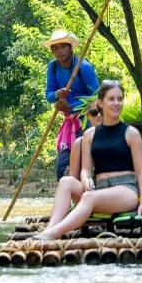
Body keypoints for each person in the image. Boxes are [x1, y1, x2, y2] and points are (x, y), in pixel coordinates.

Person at [34, 80, 142, 240]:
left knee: (89, 197)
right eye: (111, 99)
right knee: (66, 181)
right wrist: (86, 180)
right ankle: (51, 227)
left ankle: (53, 233)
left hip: (126, 191)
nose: (116, 103)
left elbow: (141, 171)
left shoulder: (131, 133)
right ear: (100, 103)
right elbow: (86, 170)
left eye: (119, 99)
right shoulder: (89, 135)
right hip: (99, 190)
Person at [45, 29, 100, 179]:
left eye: (63, 46)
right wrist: (57, 95)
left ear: (70, 47)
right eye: (55, 48)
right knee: (62, 168)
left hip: (87, 121)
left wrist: (72, 107)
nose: (59, 51)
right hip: (69, 123)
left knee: (87, 164)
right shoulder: (53, 67)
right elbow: (49, 95)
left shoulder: (84, 68)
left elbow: (97, 98)